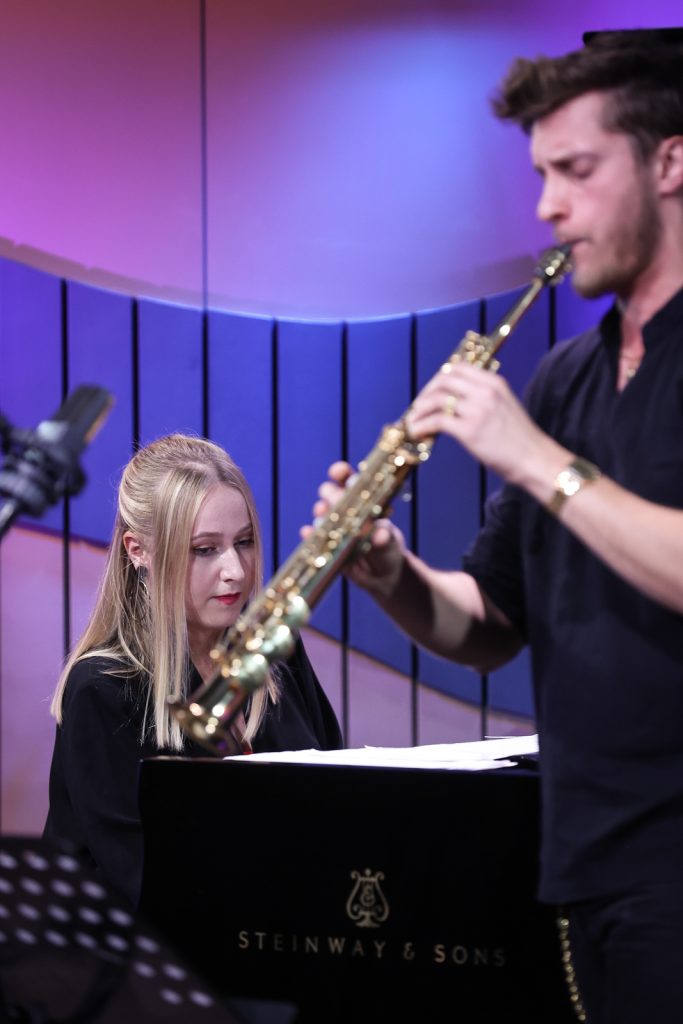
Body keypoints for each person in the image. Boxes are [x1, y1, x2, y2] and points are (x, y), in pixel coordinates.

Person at [312, 29, 683, 1024]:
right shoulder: (564, 377)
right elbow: (488, 627)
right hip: (582, 857)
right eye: (540, 175)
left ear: (668, 162)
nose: (547, 206)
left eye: (575, 171)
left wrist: (533, 458)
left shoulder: (544, 428)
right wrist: (389, 571)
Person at [44, 434, 342, 908]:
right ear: (138, 550)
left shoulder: (278, 653)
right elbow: (145, 885)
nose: (236, 571)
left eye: (244, 542)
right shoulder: (102, 689)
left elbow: (341, 806)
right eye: (205, 549)